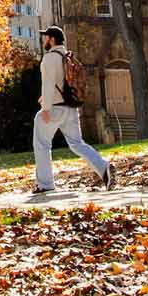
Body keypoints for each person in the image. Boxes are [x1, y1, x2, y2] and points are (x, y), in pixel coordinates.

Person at [33, 25, 113, 194]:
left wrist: (45, 108)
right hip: (70, 109)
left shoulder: (49, 58)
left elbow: (48, 84)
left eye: (46, 37)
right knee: (77, 144)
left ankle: (45, 184)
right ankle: (103, 167)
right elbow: (63, 83)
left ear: (52, 39)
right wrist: (46, 97)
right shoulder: (67, 57)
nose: (44, 40)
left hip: (54, 109)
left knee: (42, 143)